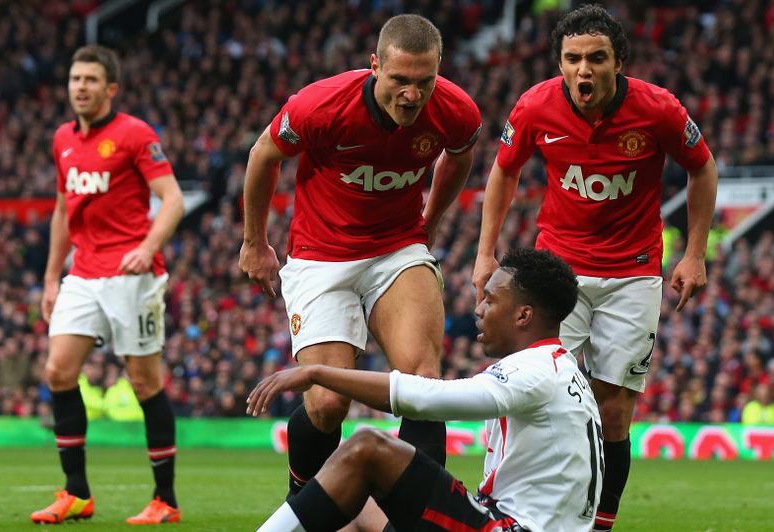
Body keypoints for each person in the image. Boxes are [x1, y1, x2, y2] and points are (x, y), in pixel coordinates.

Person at [472, 5, 718, 532]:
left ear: (618, 62)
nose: (584, 70)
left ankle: (599, 526)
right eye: (573, 58)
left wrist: (695, 252)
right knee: (521, 386)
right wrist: (485, 252)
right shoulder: (535, 106)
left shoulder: (659, 110)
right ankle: (494, 500)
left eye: (596, 58)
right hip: (557, 270)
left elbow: (702, 167)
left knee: (614, 412)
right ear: (560, 63)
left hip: (633, 274)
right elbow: (503, 172)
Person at [238, 12, 482, 506]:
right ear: (374, 65)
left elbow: (459, 154)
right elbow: (264, 154)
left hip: (396, 250)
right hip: (320, 256)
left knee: (423, 387)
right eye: (400, 80)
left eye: (424, 81)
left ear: (439, 70)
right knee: (328, 404)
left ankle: (421, 518)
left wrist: (428, 223)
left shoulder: (457, 110)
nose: (412, 95)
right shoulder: (321, 105)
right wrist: (253, 243)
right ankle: (306, 507)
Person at [249, 248, 603, 532]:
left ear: (523, 316)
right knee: (353, 507)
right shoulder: (562, 369)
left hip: (512, 527)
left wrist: (317, 372)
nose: (479, 310)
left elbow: (429, 398)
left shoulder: (535, 371)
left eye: (491, 301)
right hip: (508, 518)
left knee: (367, 448)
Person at [30, 45, 184, 525]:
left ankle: (165, 500)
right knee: (58, 371)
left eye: (90, 80)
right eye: (75, 79)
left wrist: (146, 246)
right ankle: (77, 493)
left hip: (132, 278)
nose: (80, 87)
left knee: (144, 382)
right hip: (84, 272)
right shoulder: (62, 140)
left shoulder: (135, 134)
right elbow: (61, 210)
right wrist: (52, 277)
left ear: (110, 88)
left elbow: (173, 199)